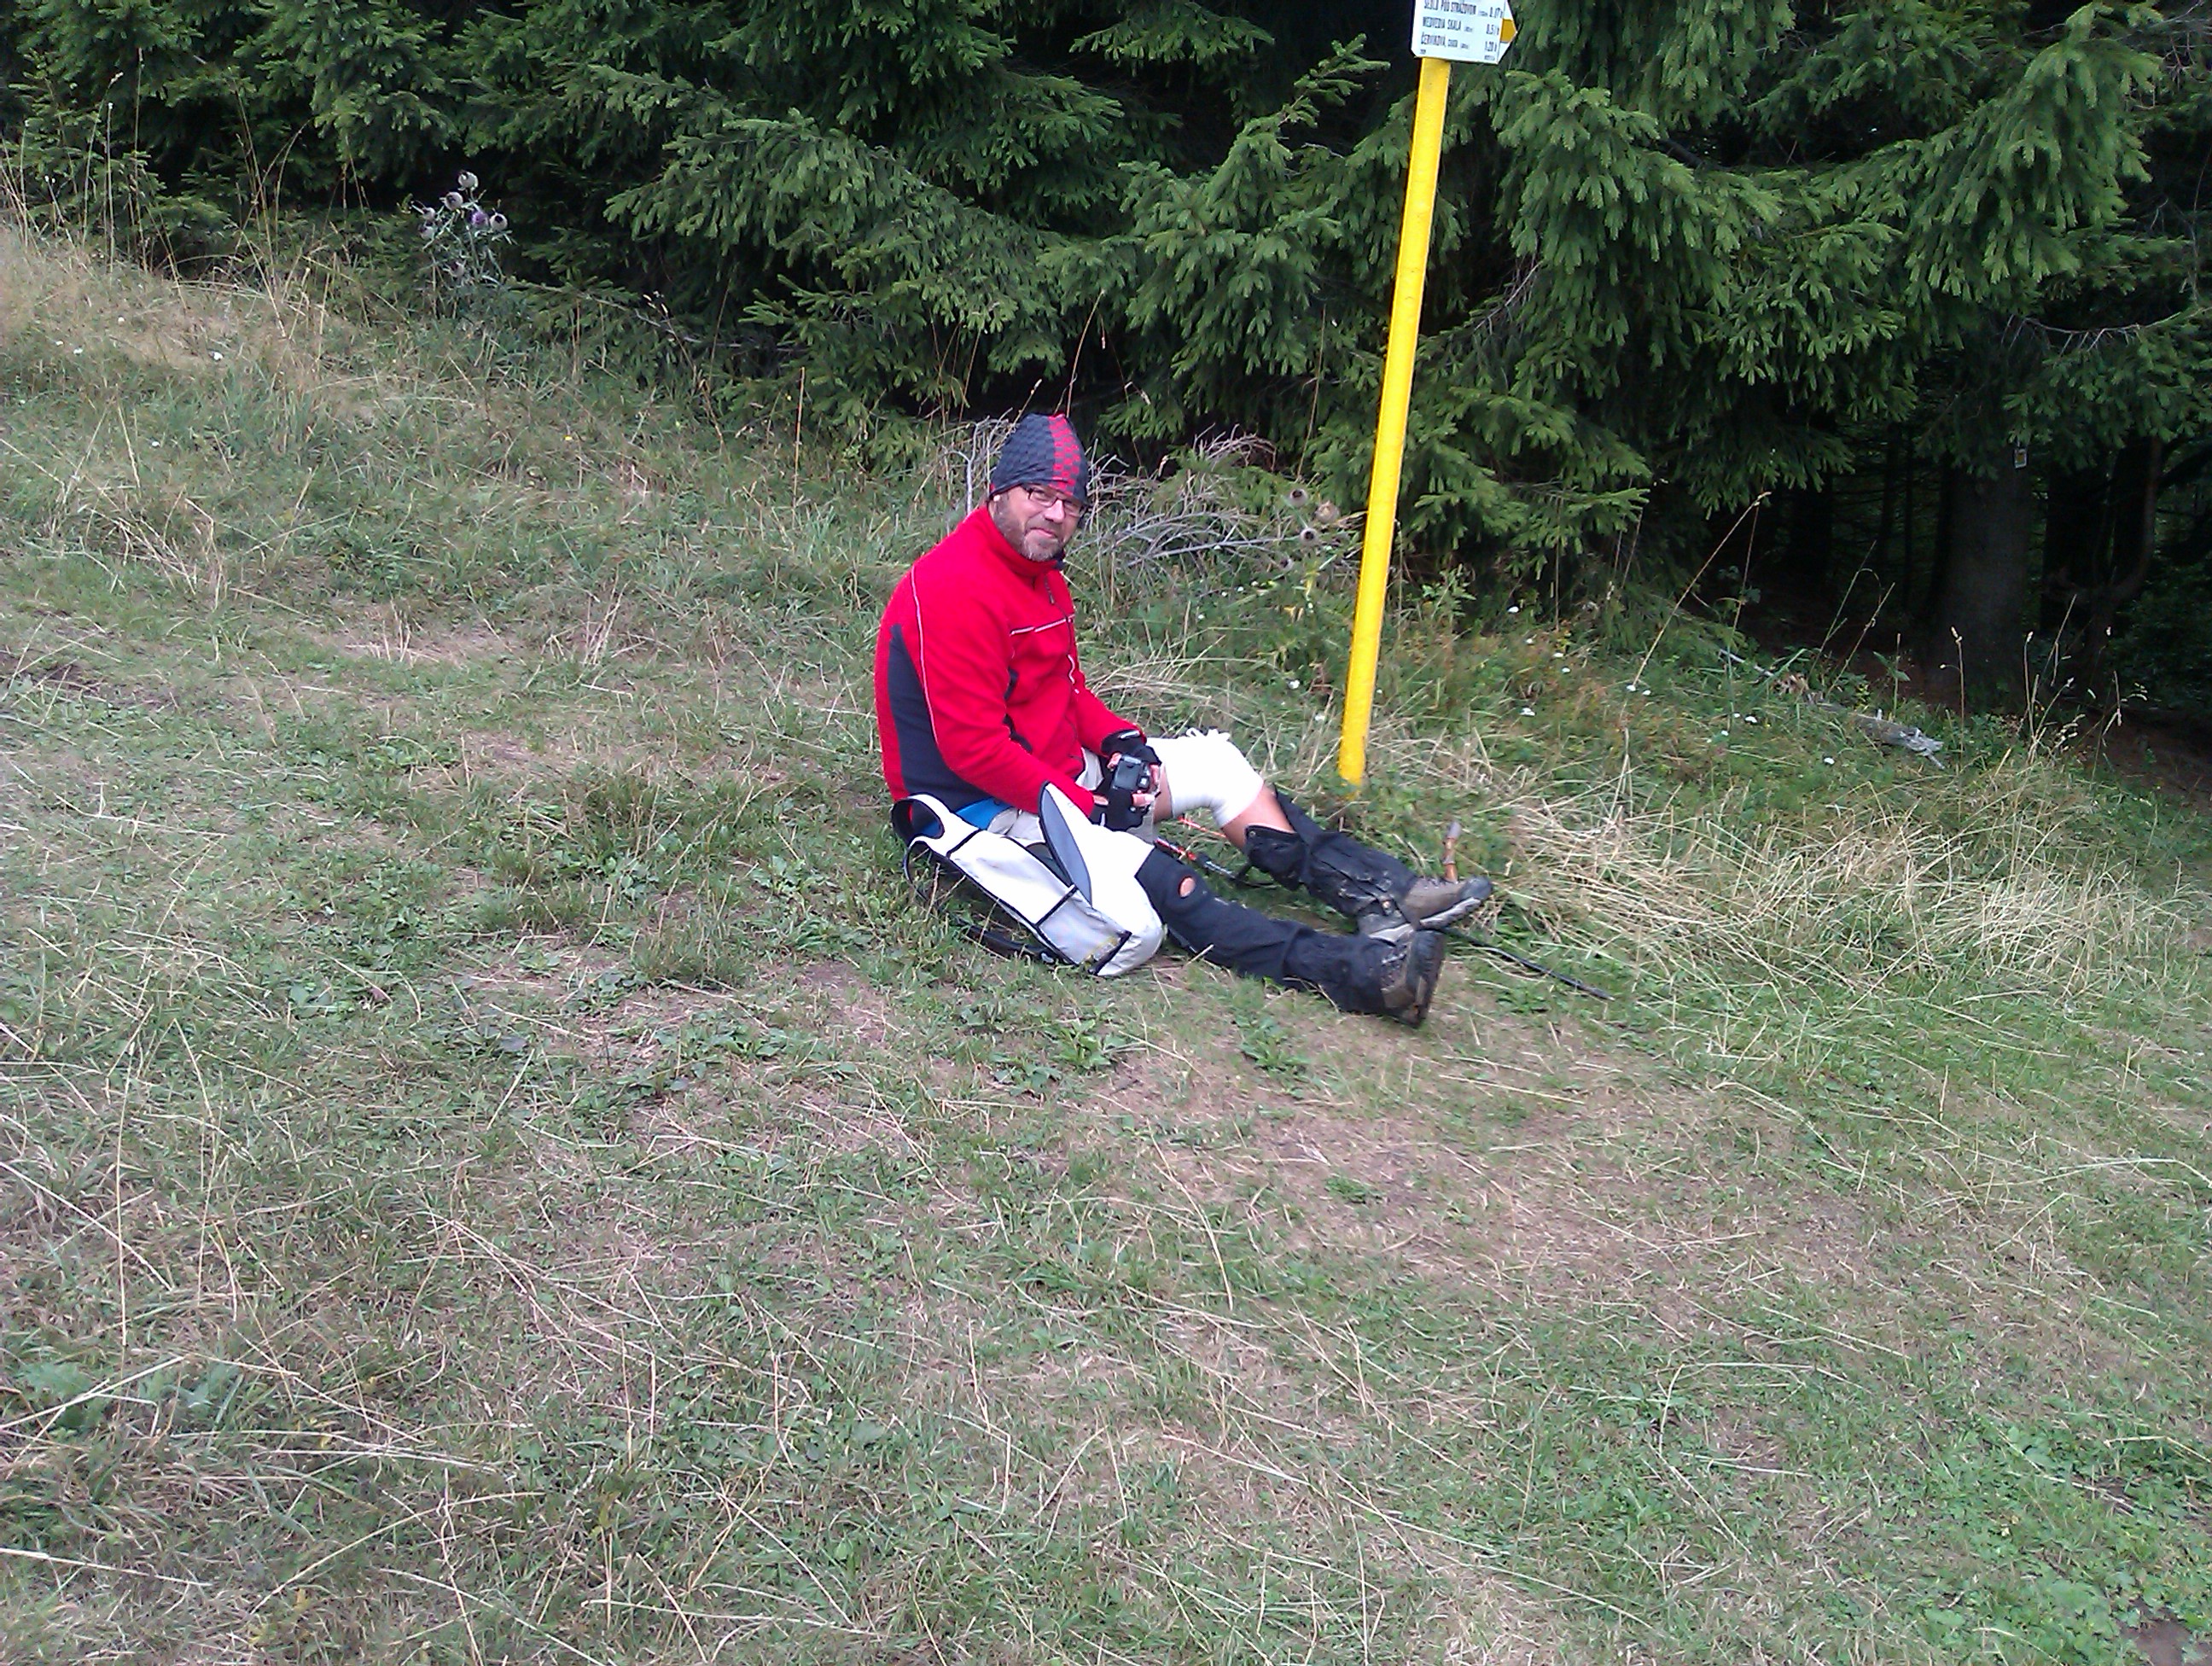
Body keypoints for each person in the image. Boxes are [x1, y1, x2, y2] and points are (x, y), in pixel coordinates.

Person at [873, 414, 1490, 1025]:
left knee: (1219, 764)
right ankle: (1368, 975)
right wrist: (1090, 808)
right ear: (1000, 491)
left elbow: (1067, 690)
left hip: (1050, 777)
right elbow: (973, 750)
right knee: (1158, 906)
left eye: (1071, 503)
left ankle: (1387, 896)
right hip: (978, 810)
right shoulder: (954, 585)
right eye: (1039, 494)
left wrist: (1122, 743)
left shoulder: (1045, 578)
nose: (1055, 515)